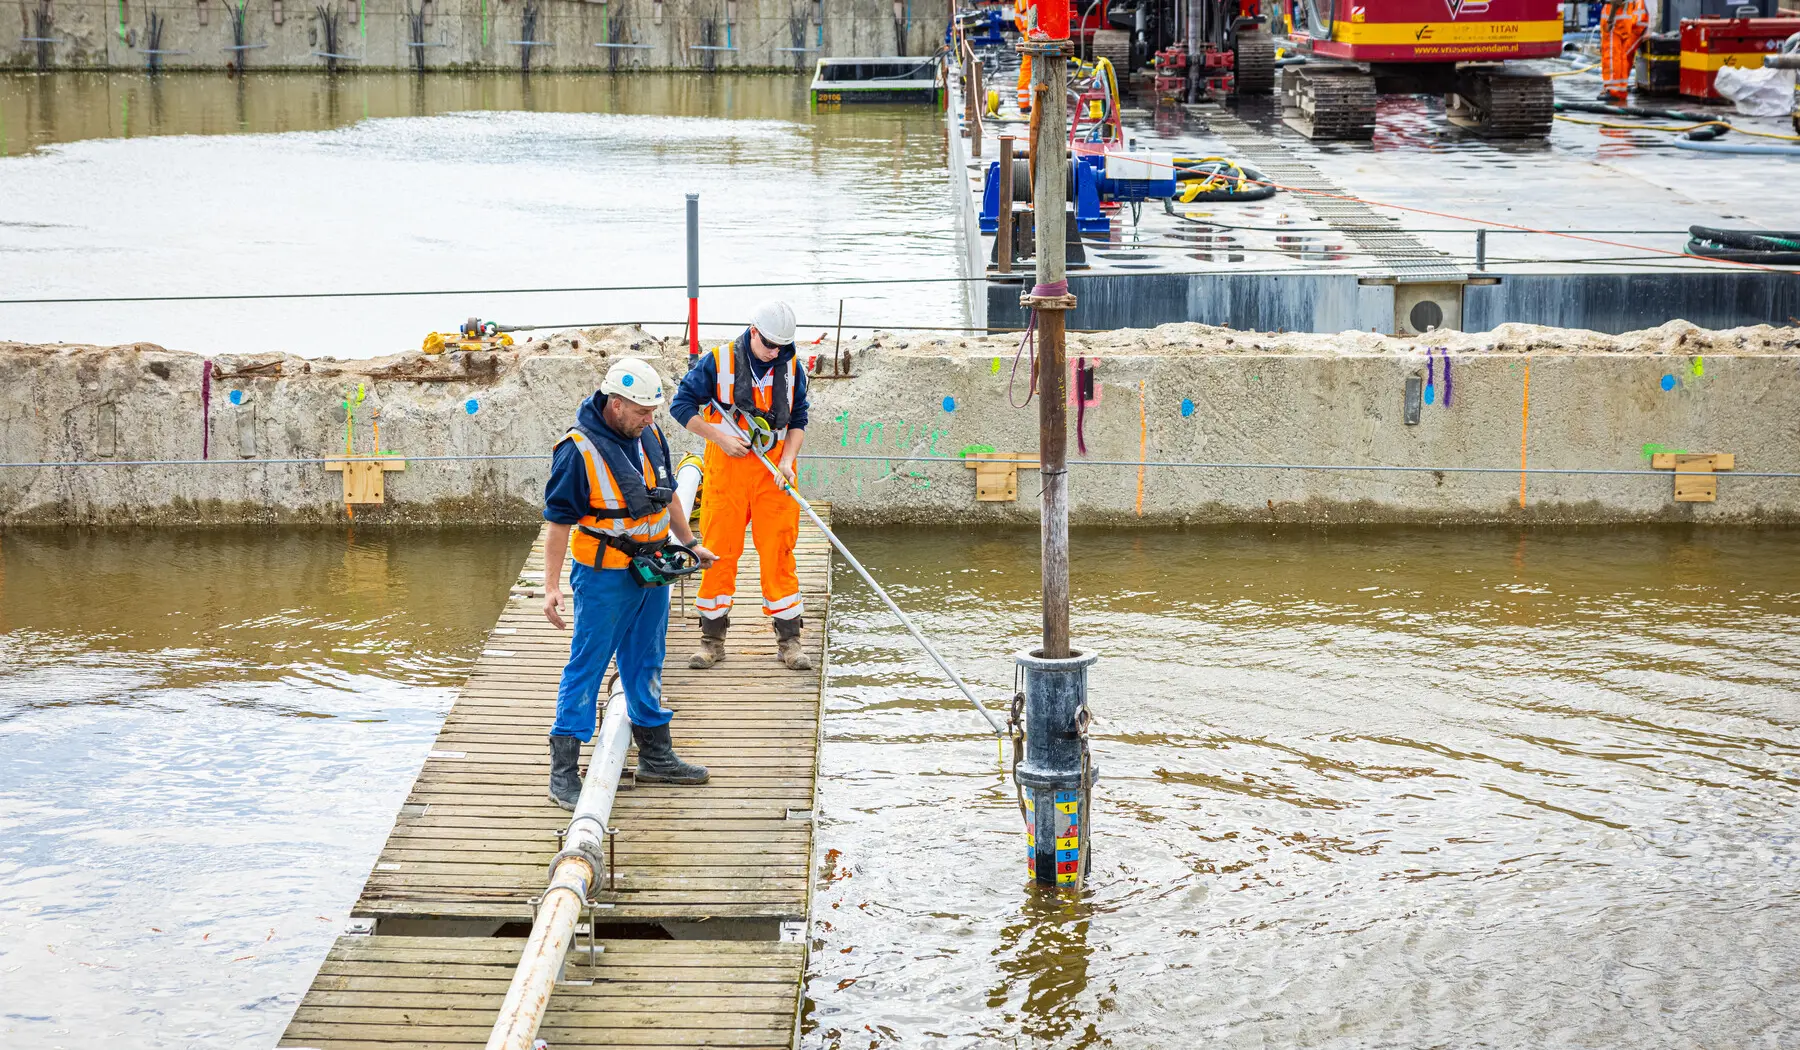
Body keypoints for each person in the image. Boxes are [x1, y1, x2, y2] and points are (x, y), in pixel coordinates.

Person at [541, 358, 717, 810]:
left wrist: (690, 543)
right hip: (603, 578)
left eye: (653, 410)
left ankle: (656, 757)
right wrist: (552, 587)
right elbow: (559, 525)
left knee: (647, 658)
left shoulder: (650, 435)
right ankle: (563, 774)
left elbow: (669, 495)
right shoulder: (576, 452)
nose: (650, 418)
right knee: (588, 664)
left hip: (653, 569)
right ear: (615, 404)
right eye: (642, 410)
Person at [670, 300, 813, 672]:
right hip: (727, 473)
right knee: (717, 552)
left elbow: (798, 420)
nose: (774, 352)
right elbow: (681, 406)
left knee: (779, 553)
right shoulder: (717, 363)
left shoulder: (793, 369)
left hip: (774, 476)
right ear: (753, 333)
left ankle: (789, 641)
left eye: (781, 347)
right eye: (768, 344)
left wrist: (787, 461)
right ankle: (712, 641)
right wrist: (719, 437)